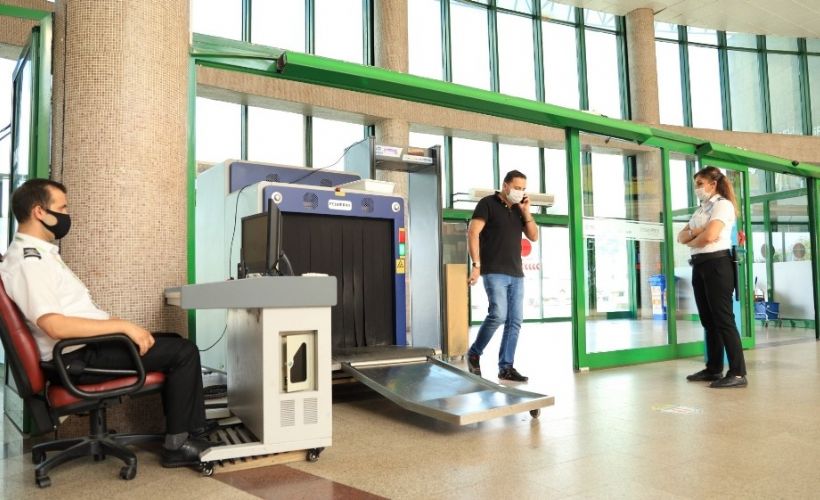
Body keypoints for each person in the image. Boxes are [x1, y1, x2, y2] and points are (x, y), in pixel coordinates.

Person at [0, 179, 215, 466]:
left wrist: (123, 325)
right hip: (76, 358)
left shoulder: (40, 254)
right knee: (183, 352)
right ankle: (179, 445)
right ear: (40, 211)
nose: (67, 215)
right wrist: (123, 327)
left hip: (80, 350)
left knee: (172, 341)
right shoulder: (31, 262)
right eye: (62, 208)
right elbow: (54, 326)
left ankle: (192, 429)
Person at [677, 167, 747, 388]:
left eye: (700, 183)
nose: (697, 188)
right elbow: (680, 237)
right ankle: (714, 369)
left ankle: (738, 373)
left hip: (717, 265)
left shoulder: (722, 205)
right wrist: (698, 233)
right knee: (708, 321)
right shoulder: (701, 209)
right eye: (695, 184)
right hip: (699, 266)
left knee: (723, 319)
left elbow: (710, 237)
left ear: (713, 184)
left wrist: (695, 236)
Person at [466, 170, 538, 382]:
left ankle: (506, 367)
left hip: (516, 273)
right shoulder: (487, 204)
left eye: (523, 189)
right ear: (505, 185)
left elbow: (534, 236)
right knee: (498, 314)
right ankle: (474, 353)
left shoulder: (518, 209)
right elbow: (473, 232)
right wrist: (476, 265)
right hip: (494, 270)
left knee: (515, 320)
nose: (520, 192)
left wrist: (526, 211)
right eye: (517, 188)